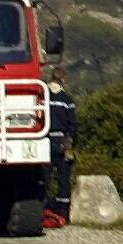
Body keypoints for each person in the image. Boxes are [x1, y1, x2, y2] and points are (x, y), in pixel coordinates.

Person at [44, 77, 78, 228]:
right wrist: (70, 144)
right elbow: (73, 125)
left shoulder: (42, 96)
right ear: (63, 80)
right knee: (64, 179)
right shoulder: (67, 99)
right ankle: (62, 213)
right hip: (63, 142)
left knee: (44, 179)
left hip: (44, 141)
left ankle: (43, 210)